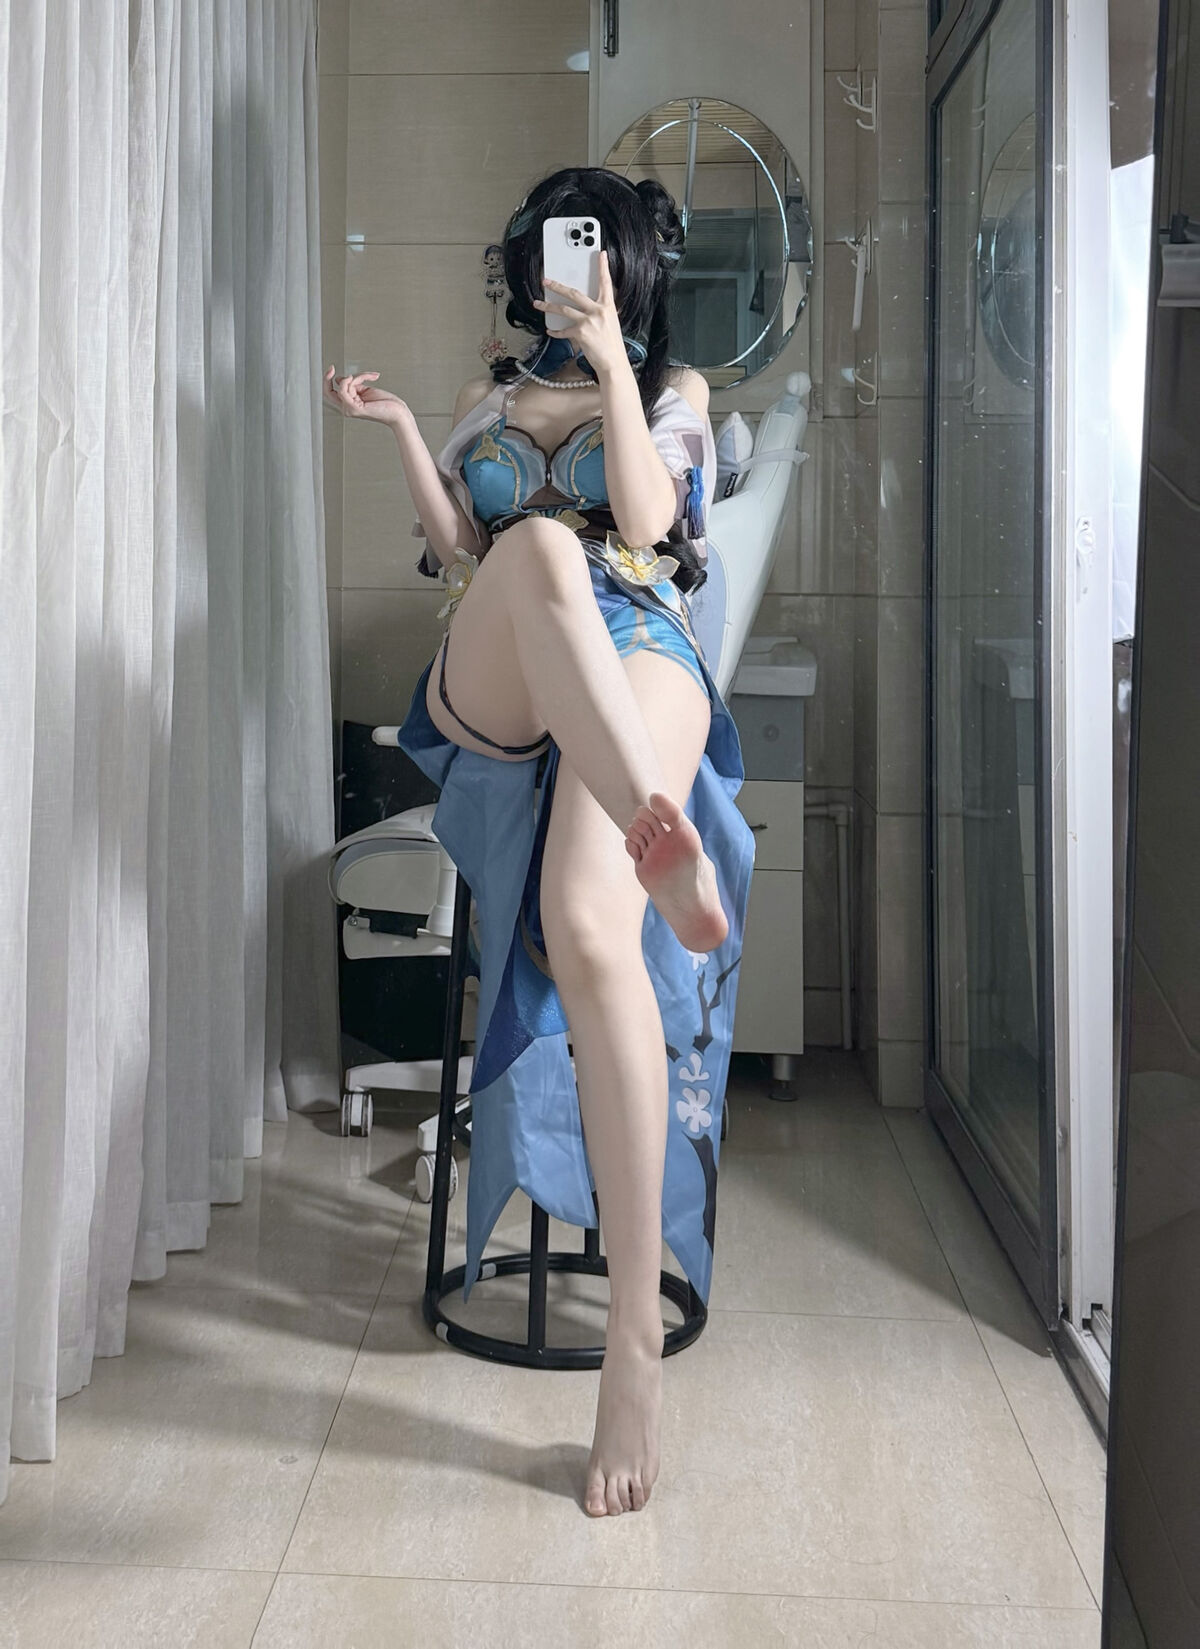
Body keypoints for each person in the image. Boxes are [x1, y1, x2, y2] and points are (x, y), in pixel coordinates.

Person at [322, 167, 754, 1519]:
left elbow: (650, 524)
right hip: (510, 649)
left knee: (586, 927)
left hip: (643, 647)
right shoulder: (488, 396)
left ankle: (632, 1346)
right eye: (555, 252)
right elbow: (461, 544)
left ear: (631, 268)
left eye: (593, 251)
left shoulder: (676, 394)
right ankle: (655, 830)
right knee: (543, 558)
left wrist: (618, 362)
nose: (563, 271)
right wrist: (405, 425)